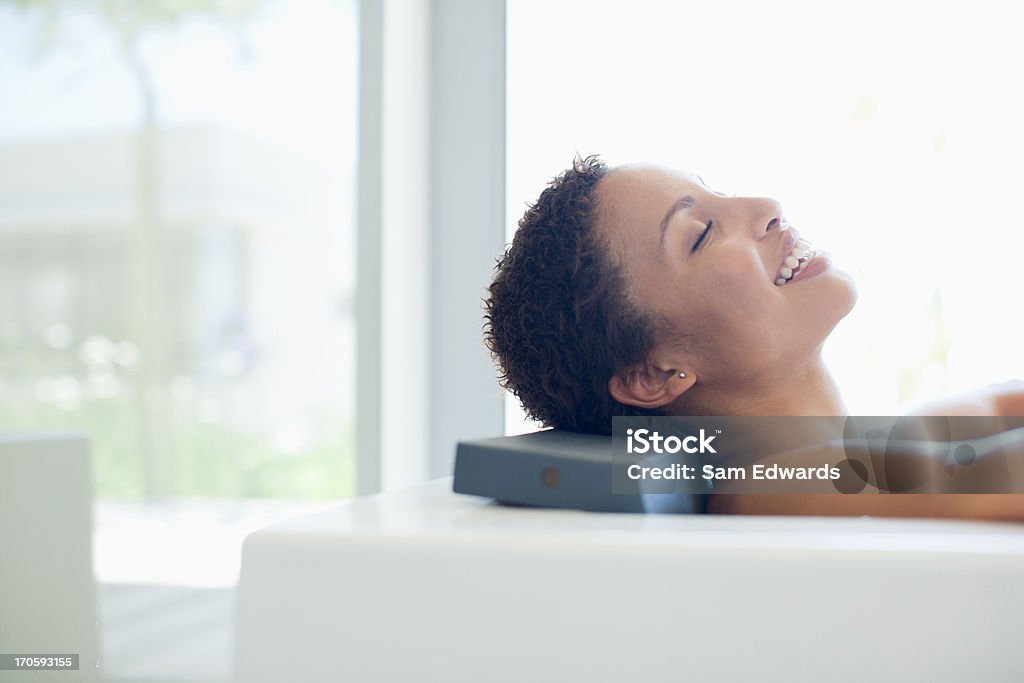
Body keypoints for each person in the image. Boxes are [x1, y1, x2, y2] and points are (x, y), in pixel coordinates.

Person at [484, 155, 1024, 521]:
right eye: (701, 235)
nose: (766, 207)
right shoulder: (764, 491)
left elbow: (986, 409)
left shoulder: (849, 452)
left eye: (716, 193)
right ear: (653, 374)